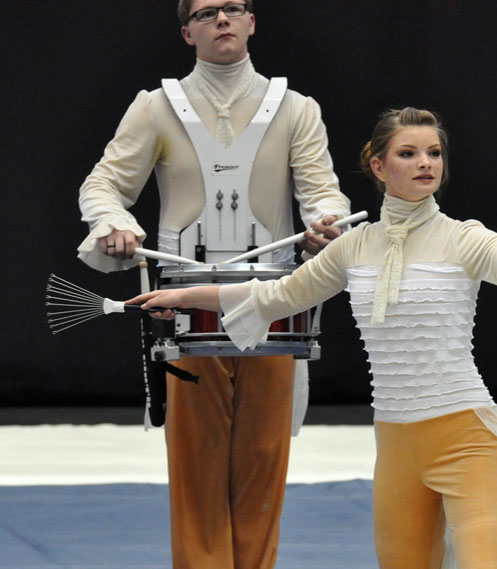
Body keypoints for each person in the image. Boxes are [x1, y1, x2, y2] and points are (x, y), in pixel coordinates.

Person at [130, 107, 497, 569]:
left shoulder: (466, 239)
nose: (426, 163)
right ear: (379, 167)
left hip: (469, 441)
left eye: (434, 153)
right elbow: (278, 296)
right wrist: (188, 294)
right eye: (409, 153)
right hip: (396, 448)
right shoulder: (353, 247)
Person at [75, 1, 351, 568]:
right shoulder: (155, 108)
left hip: (271, 304)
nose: (221, 19)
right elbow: (104, 185)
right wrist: (114, 225)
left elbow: (324, 193)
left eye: (232, 9)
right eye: (206, 13)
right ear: (186, 32)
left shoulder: (297, 110)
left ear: (252, 21)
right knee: (197, 468)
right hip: (185, 310)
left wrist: (326, 221)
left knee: (263, 463)